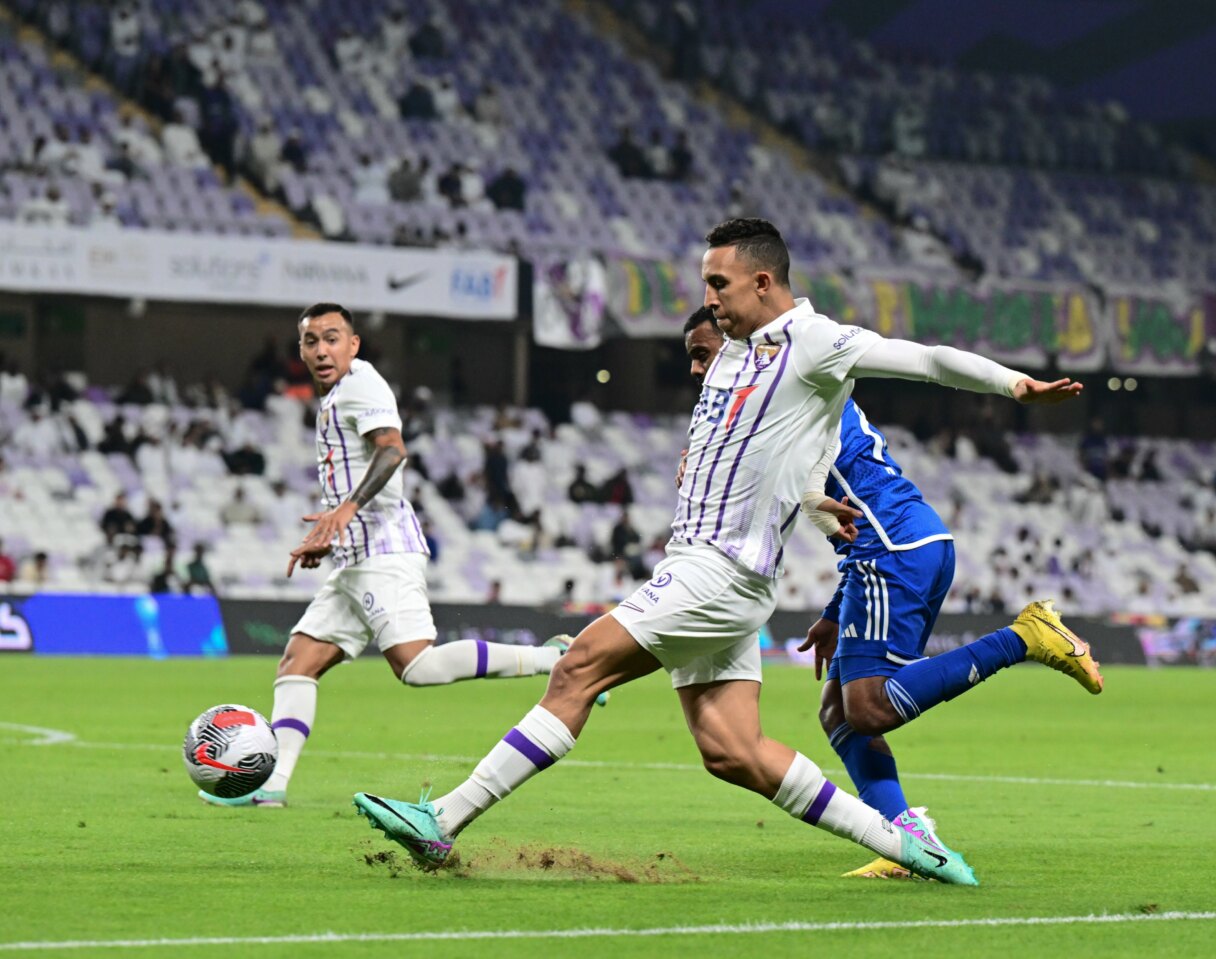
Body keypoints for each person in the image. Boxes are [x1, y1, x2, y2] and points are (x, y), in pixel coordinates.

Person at [354, 219, 1095, 883]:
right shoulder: (733, 357)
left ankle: (442, 821)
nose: (709, 297)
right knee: (732, 749)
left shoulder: (815, 342)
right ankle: (913, 847)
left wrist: (1016, 385)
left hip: (719, 572)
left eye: (719, 282)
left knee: (579, 665)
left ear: (763, 280)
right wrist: (807, 499)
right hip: (717, 573)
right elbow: (788, 455)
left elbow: (926, 359)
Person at [682, 304, 1101, 880]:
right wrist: (835, 611)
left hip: (895, 549)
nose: (699, 370)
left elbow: (811, 485)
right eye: (693, 359)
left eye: (706, 352)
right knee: (838, 713)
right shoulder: (771, 405)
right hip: (896, 547)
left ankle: (1024, 637)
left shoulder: (798, 385)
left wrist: (1013, 384)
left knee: (868, 707)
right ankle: (906, 839)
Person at [199, 303, 573, 809]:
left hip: (384, 550)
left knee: (415, 666)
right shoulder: (335, 398)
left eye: (332, 338)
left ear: (354, 345)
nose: (321, 349)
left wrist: (346, 510)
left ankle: (554, 659)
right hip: (353, 556)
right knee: (297, 663)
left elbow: (393, 450)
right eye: (311, 341)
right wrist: (331, 532)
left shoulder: (361, 383)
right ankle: (273, 785)